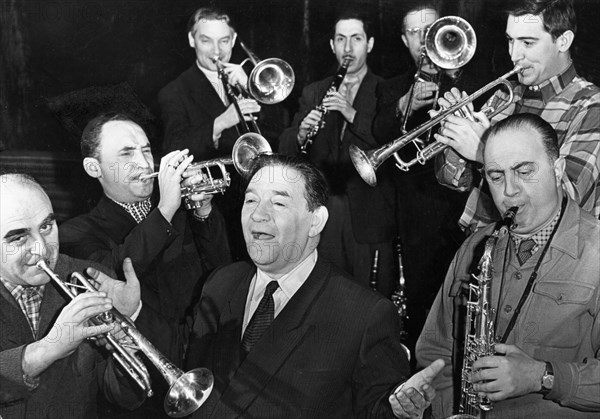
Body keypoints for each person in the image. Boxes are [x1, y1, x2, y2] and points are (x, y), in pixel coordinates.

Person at [186, 153, 445, 418]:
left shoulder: (364, 315)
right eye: (251, 200)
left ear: (316, 221)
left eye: (278, 203)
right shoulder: (221, 283)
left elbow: (380, 407)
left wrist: (399, 409)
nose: (258, 215)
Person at [416, 113, 600, 418]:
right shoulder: (477, 246)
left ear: (557, 170)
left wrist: (542, 376)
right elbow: (435, 353)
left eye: (524, 171)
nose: (509, 191)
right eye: (496, 176)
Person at [59, 114, 231, 378]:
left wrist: (204, 210)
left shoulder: (183, 210)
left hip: (207, 353)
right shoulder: (76, 232)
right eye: (127, 154)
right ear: (94, 168)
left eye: (147, 150)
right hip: (142, 374)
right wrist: (165, 210)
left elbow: (224, 273)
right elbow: (114, 270)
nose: (143, 162)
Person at [433, 0, 600, 233]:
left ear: (563, 41)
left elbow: (567, 198)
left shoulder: (590, 105)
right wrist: (454, 137)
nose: (514, 55)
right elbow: (452, 181)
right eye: (511, 40)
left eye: (527, 43)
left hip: (547, 256)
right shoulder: (505, 95)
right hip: (484, 243)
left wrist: (485, 152)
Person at [0, 173, 146, 418]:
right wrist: (48, 349)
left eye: (46, 227)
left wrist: (128, 333)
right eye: (19, 237)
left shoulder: (92, 279)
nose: (43, 249)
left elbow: (124, 398)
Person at [372, 2, 471, 352]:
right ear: (404, 39)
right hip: (416, 221)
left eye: (431, 29)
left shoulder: (471, 81)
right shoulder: (392, 87)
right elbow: (378, 133)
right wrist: (405, 105)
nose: (424, 38)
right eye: (414, 32)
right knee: (422, 309)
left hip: (467, 211)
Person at [279, 10, 397, 298]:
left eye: (356, 39)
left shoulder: (387, 89)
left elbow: (390, 141)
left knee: (367, 299)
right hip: (324, 209)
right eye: (341, 39)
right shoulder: (314, 91)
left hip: (368, 212)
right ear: (332, 45)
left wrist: (349, 111)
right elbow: (285, 145)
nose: (348, 48)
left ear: (369, 44)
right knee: (325, 296)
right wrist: (302, 133)